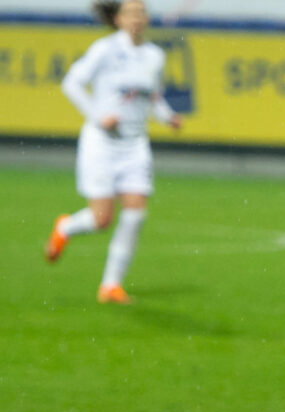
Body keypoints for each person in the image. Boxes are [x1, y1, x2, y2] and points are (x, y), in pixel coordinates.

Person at [44, 0, 181, 304]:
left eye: (141, 13)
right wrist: (97, 115)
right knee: (101, 220)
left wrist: (167, 115)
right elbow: (72, 83)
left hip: (135, 145)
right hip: (102, 143)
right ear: (118, 18)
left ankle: (110, 285)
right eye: (131, 13)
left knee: (135, 212)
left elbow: (152, 96)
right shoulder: (104, 50)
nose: (137, 18)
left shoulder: (154, 56)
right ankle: (65, 227)